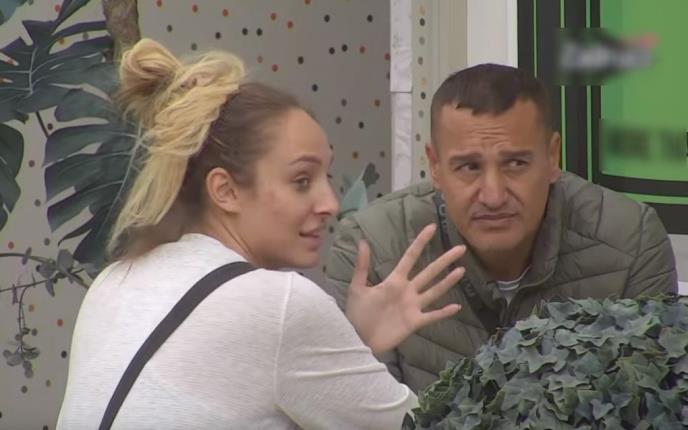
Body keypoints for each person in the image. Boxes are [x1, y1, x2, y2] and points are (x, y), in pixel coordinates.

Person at [56, 38, 469, 430]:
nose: (330, 203)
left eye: (325, 177)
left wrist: (355, 343)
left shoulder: (114, 282)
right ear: (226, 191)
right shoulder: (280, 302)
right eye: (302, 181)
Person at [325, 63, 678, 393]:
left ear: (552, 156)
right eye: (468, 167)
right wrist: (358, 355)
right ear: (435, 166)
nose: (493, 196)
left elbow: (654, 409)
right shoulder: (372, 248)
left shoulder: (631, 242)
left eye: (516, 163)